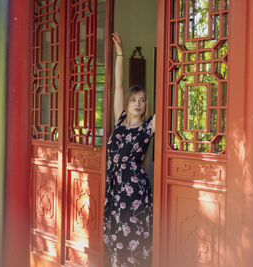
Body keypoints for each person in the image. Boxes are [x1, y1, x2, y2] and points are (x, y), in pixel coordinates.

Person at [103, 32, 155, 267]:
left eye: (142, 100)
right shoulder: (119, 119)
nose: (138, 103)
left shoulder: (147, 129)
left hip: (134, 190)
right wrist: (120, 54)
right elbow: (118, 84)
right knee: (116, 238)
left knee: (132, 238)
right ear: (127, 102)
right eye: (134, 99)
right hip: (115, 187)